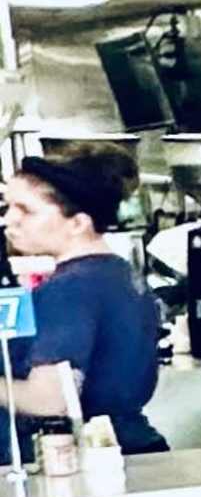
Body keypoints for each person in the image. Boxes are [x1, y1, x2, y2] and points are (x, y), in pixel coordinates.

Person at [4, 146, 170, 458]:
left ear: (78, 223)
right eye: (7, 207)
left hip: (89, 458)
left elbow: (51, 400)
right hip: (137, 447)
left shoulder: (69, 288)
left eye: (26, 210)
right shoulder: (119, 272)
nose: (10, 221)